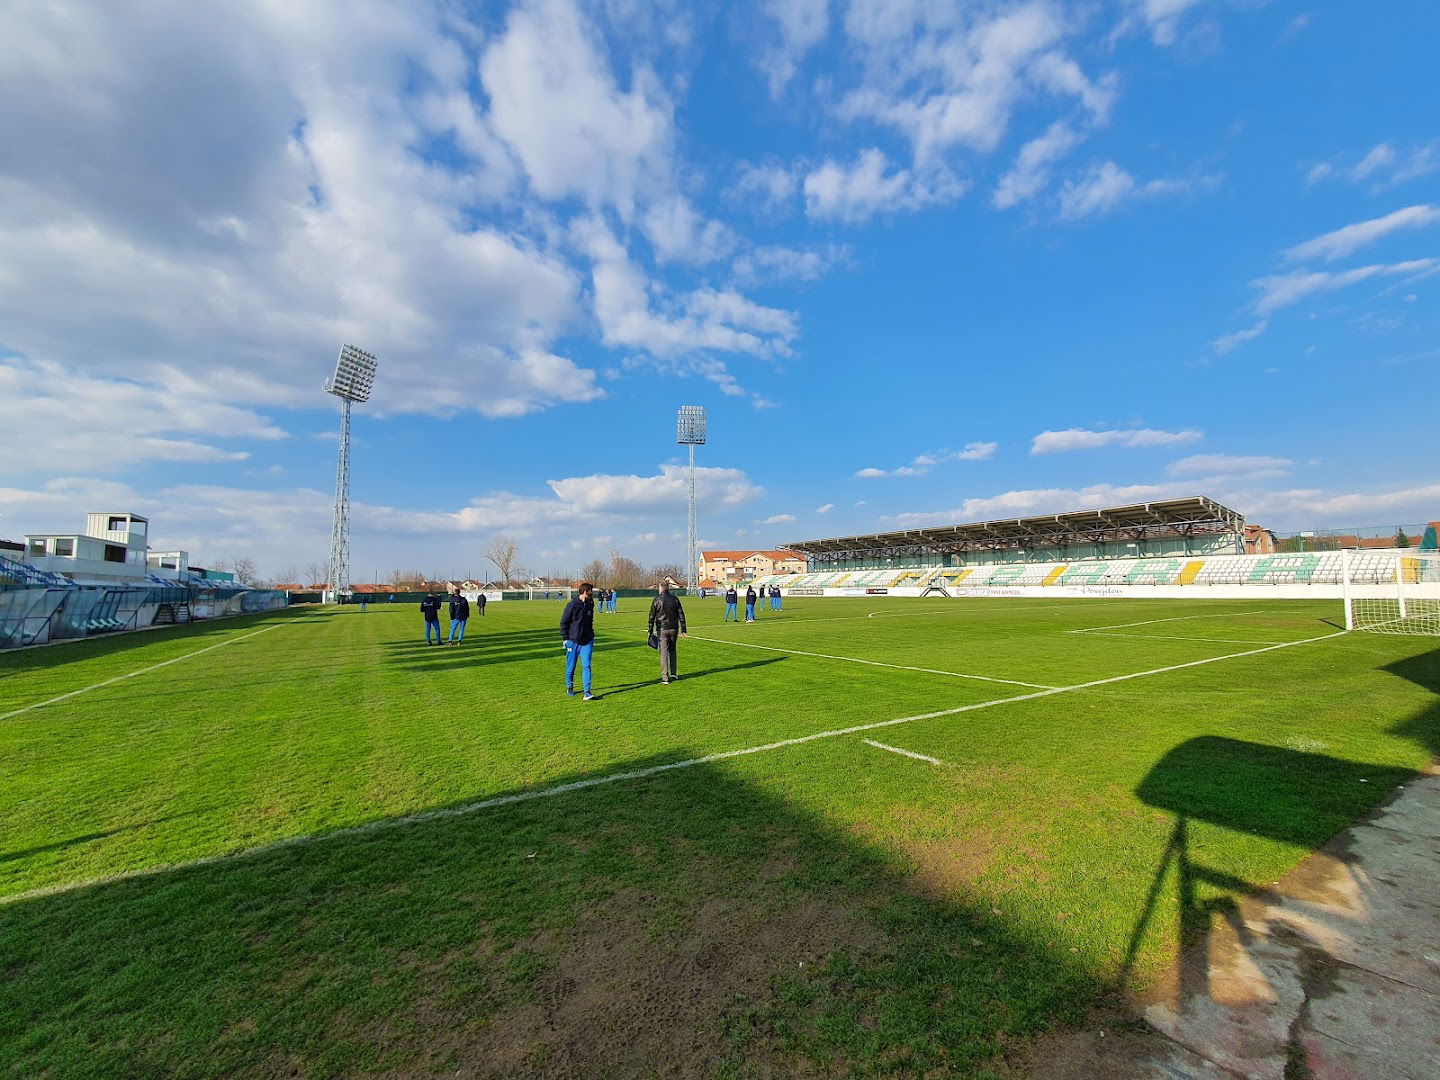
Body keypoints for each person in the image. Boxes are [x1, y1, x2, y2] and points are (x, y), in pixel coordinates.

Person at [559, 582, 597, 700]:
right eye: (591, 591)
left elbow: (590, 620)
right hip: (573, 641)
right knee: (571, 666)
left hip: (587, 640)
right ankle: (569, 686)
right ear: (585, 591)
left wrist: (590, 633)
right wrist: (565, 639)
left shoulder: (591, 603)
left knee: (586, 665)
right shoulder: (572, 605)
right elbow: (564, 622)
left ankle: (587, 692)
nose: (592, 593)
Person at [648, 582, 687, 684]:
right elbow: (681, 614)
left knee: (664, 653)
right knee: (673, 650)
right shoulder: (674, 599)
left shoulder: (657, 600)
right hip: (674, 628)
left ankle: (665, 678)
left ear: (661, 588)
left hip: (662, 629)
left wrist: (650, 630)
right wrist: (683, 629)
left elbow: (651, 616)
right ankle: (673, 673)